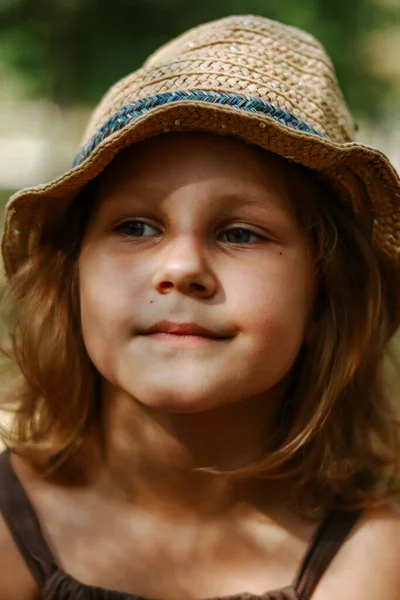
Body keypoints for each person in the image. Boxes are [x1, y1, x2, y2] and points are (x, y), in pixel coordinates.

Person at [0, 13, 400, 600]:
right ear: (73, 278)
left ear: (324, 298)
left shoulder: (378, 556)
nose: (181, 268)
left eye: (240, 233)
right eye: (135, 226)